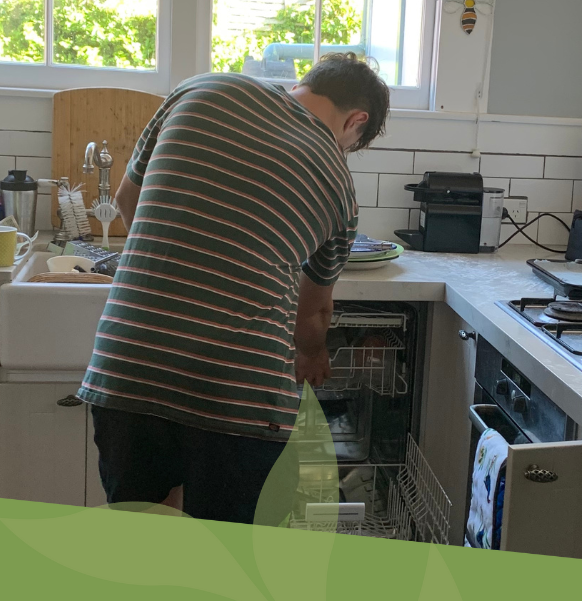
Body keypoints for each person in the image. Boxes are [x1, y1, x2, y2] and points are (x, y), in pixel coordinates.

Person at [77, 53, 390, 524]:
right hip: (240, 398)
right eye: (353, 143)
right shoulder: (339, 186)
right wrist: (311, 356)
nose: (343, 150)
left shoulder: (200, 89)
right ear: (356, 121)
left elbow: (127, 201)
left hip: (129, 370)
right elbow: (313, 316)